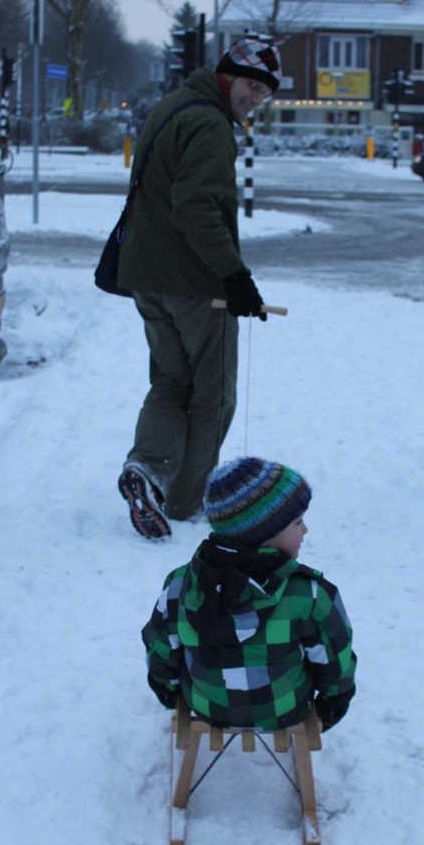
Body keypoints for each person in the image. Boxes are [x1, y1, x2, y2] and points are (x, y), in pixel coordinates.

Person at [116, 38, 283, 540]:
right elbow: (195, 208)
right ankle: (186, 504)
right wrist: (234, 276)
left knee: (170, 381)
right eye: (253, 88)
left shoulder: (172, 106)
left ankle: (147, 468)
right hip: (193, 285)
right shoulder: (210, 125)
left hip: (147, 277)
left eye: (266, 94)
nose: (257, 100)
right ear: (228, 76)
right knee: (212, 394)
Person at [141, 457, 357, 732]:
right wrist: (332, 704)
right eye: (297, 523)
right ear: (262, 536)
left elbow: (160, 646)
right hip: (285, 710)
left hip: (207, 707)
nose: (305, 530)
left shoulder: (180, 586)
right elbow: (334, 659)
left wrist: (168, 690)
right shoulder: (308, 595)